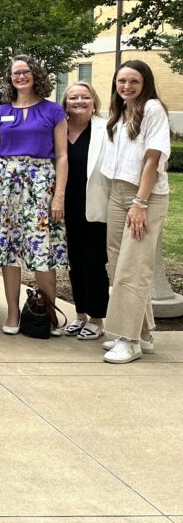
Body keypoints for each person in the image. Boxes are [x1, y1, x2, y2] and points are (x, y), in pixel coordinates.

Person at [0, 55, 68, 336]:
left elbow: (62, 157)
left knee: (42, 252)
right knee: (8, 251)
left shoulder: (53, 111)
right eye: (15, 73)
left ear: (35, 75)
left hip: (40, 185)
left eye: (25, 72)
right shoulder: (0, 112)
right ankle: (13, 313)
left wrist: (58, 194)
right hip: (3, 185)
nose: (20, 77)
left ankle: (48, 313)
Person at [101, 61, 171, 364]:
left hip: (144, 195)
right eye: (122, 81)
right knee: (118, 265)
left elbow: (152, 161)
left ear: (146, 83)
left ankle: (129, 341)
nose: (126, 86)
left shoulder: (153, 109)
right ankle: (143, 332)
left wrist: (140, 203)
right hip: (117, 191)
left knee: (134, 266)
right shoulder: (119, 114)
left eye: (134, 81)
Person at [61, 81, 109, 341]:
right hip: (65, 207)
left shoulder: (105, 129)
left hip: (95, 205)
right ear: (65, 103)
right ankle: (80, 315)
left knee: (93, 263)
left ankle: (97, 318)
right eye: (73, 98)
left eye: (84, 97)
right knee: (74, 264)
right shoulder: (59, 128)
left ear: (93, 100)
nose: (79, 102)